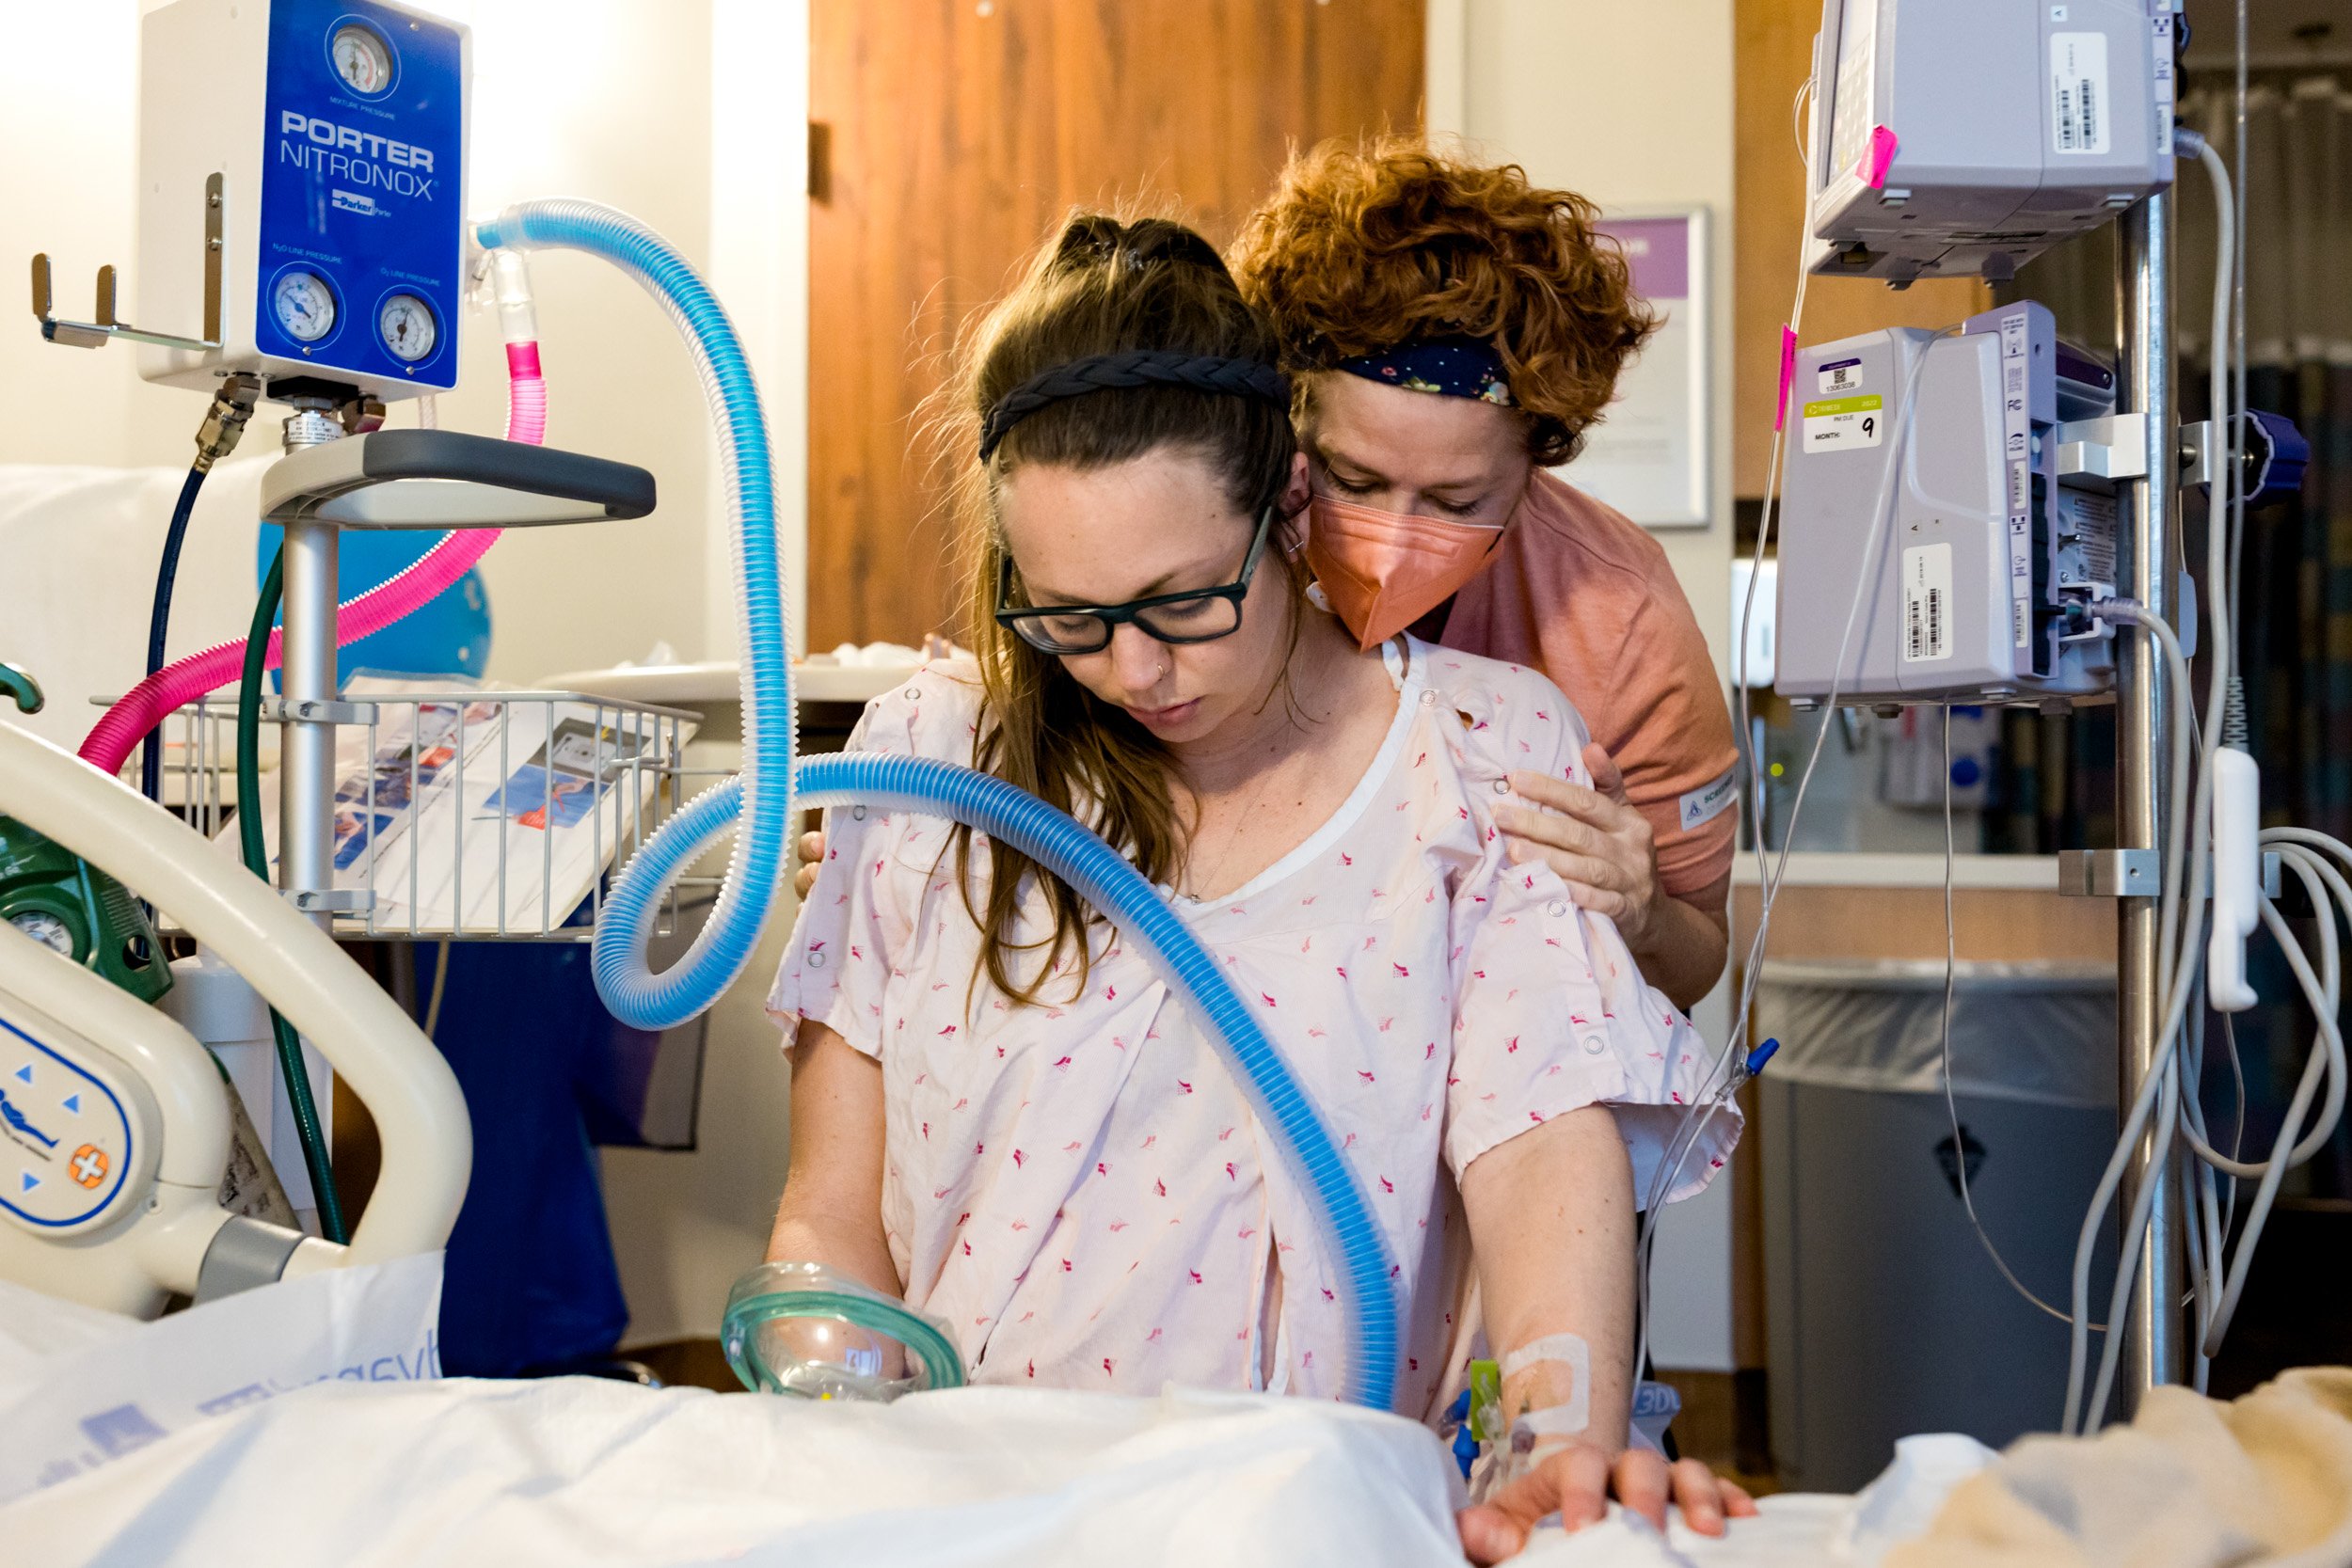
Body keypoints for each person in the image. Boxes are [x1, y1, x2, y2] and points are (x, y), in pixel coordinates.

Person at [765, 214, 1750, 1560]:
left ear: (1285, 505)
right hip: (970, 1508)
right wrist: (826, 1412)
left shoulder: (1488, 757)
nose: (1133, 670)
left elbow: (1540, 1167)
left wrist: (1561, 1442)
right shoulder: (928, 766)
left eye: (1183, 601)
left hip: (1321, 1512)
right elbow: (828, 1216)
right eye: (1068, 614)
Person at [1225, 138, 1741, 1014]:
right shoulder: (1220, 546)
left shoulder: (1621, 619)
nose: (1392, 545)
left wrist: (1643, 908)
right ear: (1292, 417)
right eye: (1353, 482)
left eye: (1457, 501)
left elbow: (1699, 955)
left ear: (1536, 462)